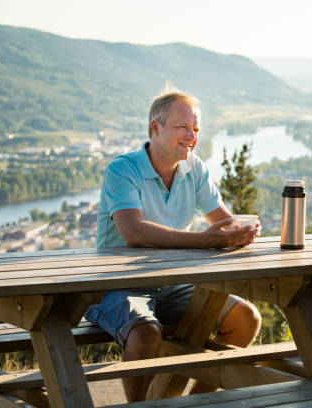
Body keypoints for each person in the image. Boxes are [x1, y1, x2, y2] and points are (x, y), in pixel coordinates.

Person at [85, 85, 262, 401]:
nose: (191, 136)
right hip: (115, 284)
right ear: (156, 127)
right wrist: (204, 240)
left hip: (171, 283)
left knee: (245, 319)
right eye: (183, 127)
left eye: (195, 129)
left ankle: (198, 401)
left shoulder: (195, 169)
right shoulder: (122, 169)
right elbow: (134, 232)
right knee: (145, 333)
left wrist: (240, 232)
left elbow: (223, 222)